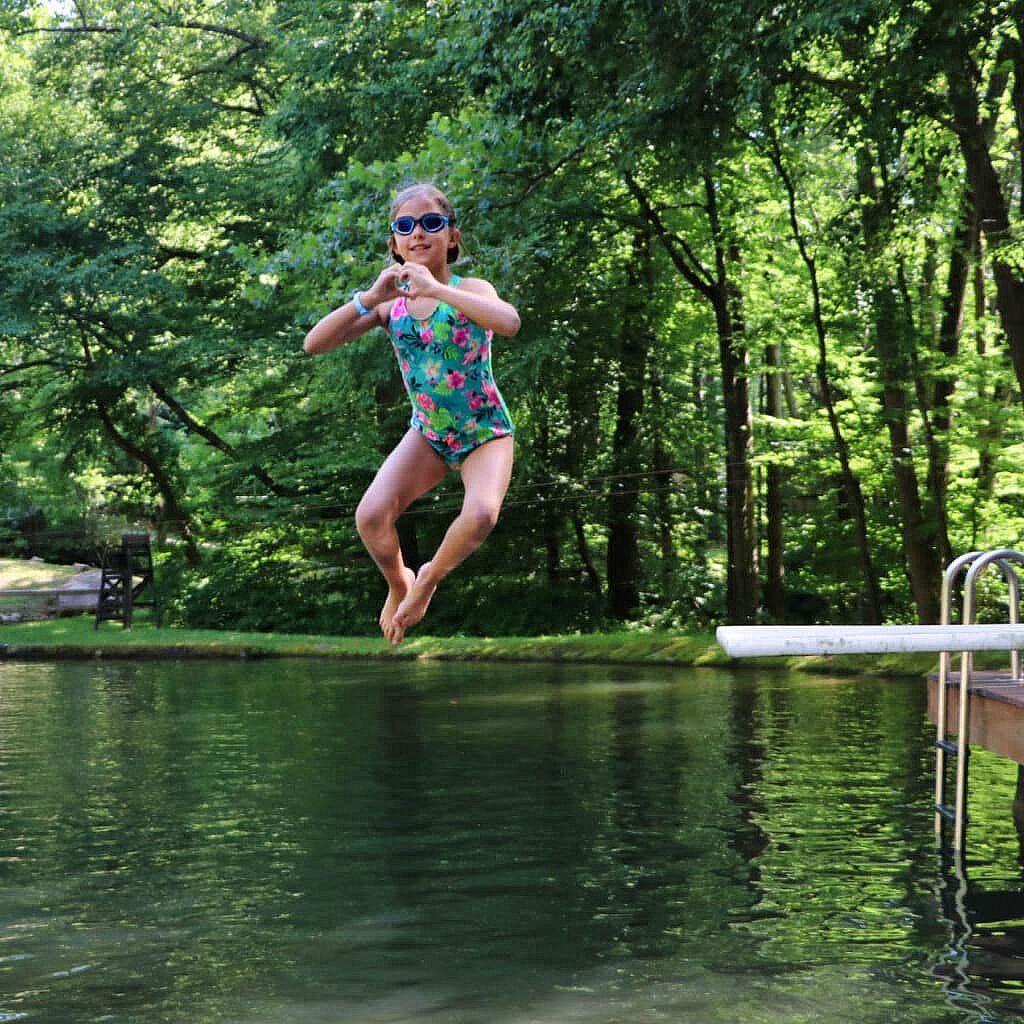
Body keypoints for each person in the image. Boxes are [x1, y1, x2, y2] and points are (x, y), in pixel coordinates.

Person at [303, 183, 521, 644]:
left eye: (430, 223)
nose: (417, 233)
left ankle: (426, 579)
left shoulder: (471, 289)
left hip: (485, 430)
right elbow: (314, 344)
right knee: (371, 516)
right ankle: (398, 581)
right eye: (405, 226)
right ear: (394, 244)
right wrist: (369, 297)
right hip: (428, 435)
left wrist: (438, 289)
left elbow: (509, 322)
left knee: (481, 514)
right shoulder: (391, 308)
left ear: (452, 237)